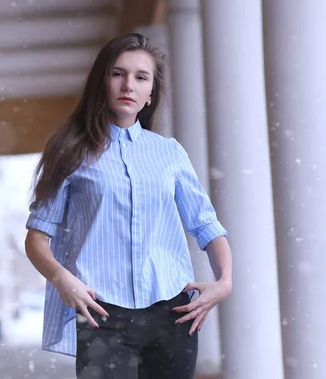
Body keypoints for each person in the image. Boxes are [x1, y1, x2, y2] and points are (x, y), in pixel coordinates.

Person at [24, 33, 232, 379]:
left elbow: (206, 226)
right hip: (101, 315)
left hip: (173, 314)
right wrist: (62, 278)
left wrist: (224, 281)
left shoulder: (168, 153)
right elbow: (36, 238)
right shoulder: (72, 153)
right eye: (117, 74)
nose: (128, 85)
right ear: (101, 82)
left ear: (151, 93)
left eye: (141, 77)